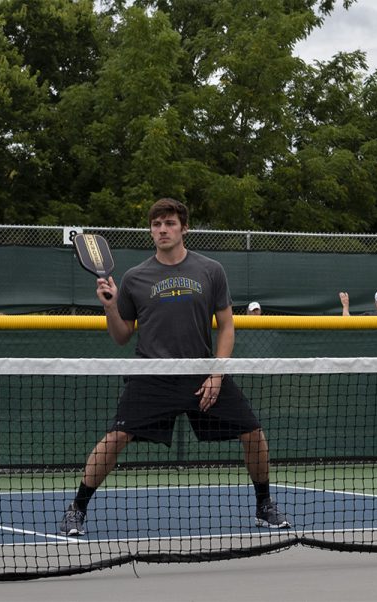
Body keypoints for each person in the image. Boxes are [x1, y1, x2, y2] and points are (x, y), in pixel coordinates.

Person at [59, 198, 290, 536]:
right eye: (156, 224)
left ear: (184, 228)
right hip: (152, 376)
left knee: (253, 433)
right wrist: (109, 306)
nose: (162, 229)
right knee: (116, 438)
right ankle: (77, 508)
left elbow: (226, 326)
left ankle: (264, 505)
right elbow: (122, 335)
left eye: (169, 223)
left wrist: (217, 373)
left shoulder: (211, 270)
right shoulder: (136, 278)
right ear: (150, 230)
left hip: (202, 374)